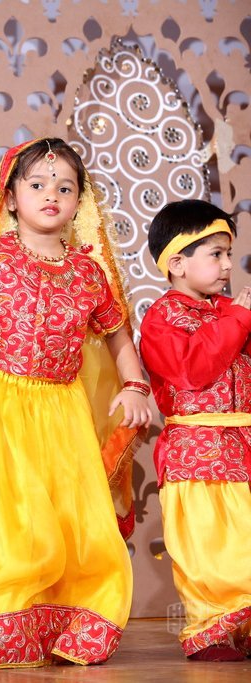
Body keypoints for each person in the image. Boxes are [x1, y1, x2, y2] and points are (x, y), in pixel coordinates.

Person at [0, 138, 153, 669]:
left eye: (65, 187)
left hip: (62, 411)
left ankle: (66, 620)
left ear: (79, 201)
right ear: (11, 198)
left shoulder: (88, 272)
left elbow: (117, 335)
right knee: (8, 515)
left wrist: (135, 385)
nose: (51, 195)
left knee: (67, 517)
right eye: (37, 185)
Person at [140, 199, 251, 661]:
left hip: (241, 445)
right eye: (216, 254)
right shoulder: (162, 318)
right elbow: (192, 371)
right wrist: (238, 320)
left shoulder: (230, 311)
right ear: (177, 263)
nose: (227, 265)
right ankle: (211, 631)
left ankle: (242, 627)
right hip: (197, 453)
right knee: (210, 547)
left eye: (229, 254)